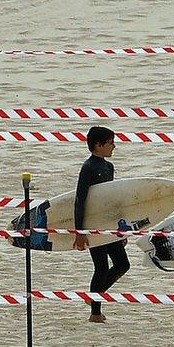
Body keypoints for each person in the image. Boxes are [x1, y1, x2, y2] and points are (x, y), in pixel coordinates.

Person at [74, 126, 129, 323]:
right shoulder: (88, 168)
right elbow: (80, 200)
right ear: (98, 145)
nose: (114, 145)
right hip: (92, 225)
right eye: (110, 142)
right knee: (101, 267)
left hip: (109, 225)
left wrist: (120, 232)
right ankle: (95, 313)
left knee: (123, 264)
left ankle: (94, 296)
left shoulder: (108, 167)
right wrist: (79, 232)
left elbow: (111, 202)